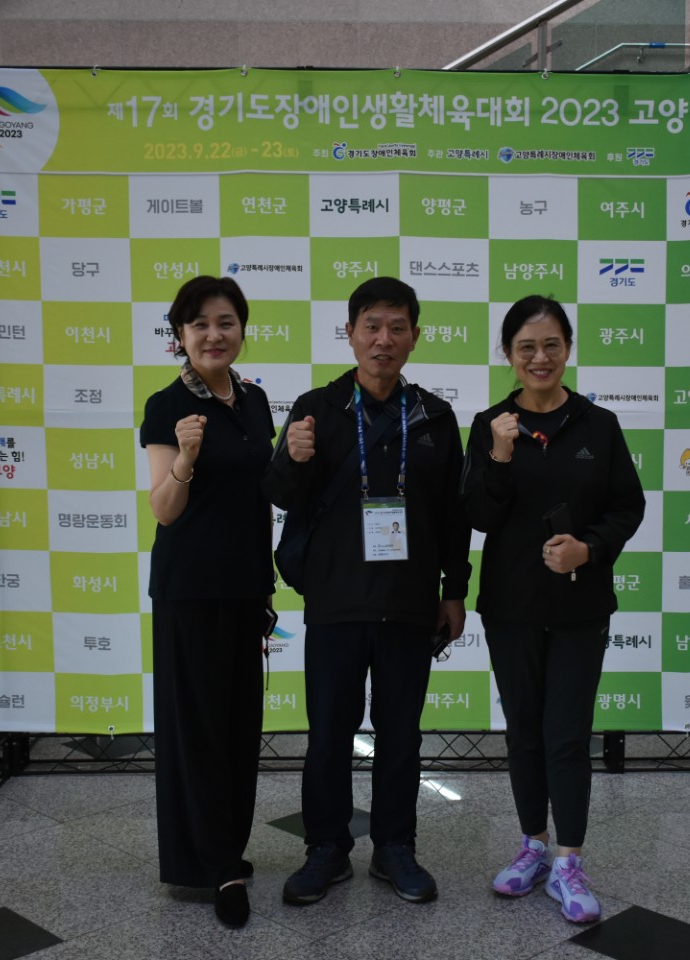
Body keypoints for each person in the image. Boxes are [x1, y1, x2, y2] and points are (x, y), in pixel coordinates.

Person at [264, 276, 470, 907]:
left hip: (409, 600)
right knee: (329, 731)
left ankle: (394, 847)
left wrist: (454, 591)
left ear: (414, 336)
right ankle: (326, 848)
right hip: (336, 599)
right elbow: (281, 495)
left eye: (396, 328)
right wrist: (293, 457)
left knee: (401, 732)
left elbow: (453, 515)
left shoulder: (435, 416)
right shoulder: (317, 407)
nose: (384, 340)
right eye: (371, 327)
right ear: (350, 333)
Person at [461, 295, 645, 924]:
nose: (539, 358)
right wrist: (499, 456)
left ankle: (569, 860)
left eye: (551, 345)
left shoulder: (598, 424)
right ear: (508, 354)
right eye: (526, 348)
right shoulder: (490, 425)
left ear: (567, 348)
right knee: (524, 731)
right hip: (510, 606)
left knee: (566, 734)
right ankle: (532, 846)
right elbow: (476, 515)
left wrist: (587, 549)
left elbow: (627, 506)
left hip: (579, 607)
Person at [139, 275, 275, 928]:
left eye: (225, 322)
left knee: (239, 727)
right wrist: (186, 457)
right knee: (198, 732)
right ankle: (215, 865)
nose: (214, 335)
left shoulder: (254, 400)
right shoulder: (166, 406)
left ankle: (226, 845)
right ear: (180, 336)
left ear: (241, 328)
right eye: (199, 325)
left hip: (245, 588)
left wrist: (266, 586)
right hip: (190, 591)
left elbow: (258, 498)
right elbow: (164, 511)